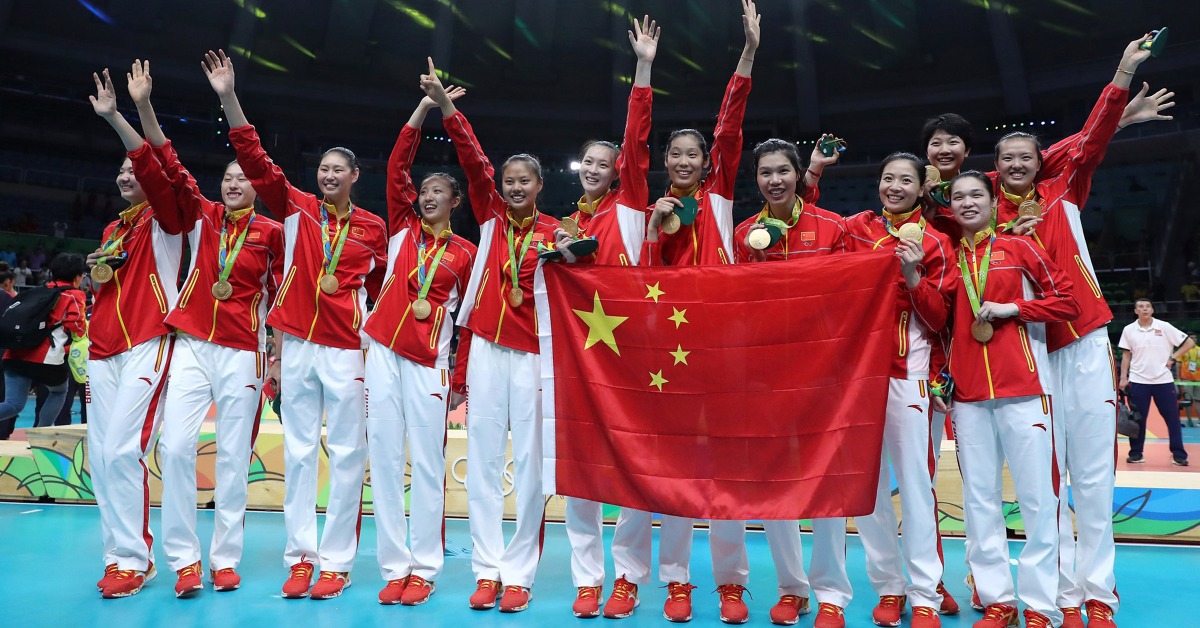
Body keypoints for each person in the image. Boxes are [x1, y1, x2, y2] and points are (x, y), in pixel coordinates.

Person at [207, 49, 389, 600]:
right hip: (301, 345)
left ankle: (337, 561)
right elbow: (255, 158)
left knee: (350, 454)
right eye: (324, 169)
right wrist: (228, 98)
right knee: (302, 452)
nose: (329, 175)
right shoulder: (298, 208)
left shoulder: (375, 227)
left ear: (355, 177)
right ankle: (302, 557)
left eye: (340, 170)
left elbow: (383, 296)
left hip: (347, 351)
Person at [992, 34, 1159, 628]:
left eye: (1027, 157)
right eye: (1006, 158)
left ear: (1042, 163)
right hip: (1028, 349)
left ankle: (1097, 594)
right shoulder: (983, 216)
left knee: (1092, 474)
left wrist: (1120, 78)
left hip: (1083, 339)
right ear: (995, 168)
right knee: (1047, 479)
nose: (1017, 164)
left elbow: (1084, 145)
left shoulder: (1064, 190)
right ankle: (1055, 597)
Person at [124, 59, 285, 597]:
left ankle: (224, 558)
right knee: (173, 448)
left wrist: (277, 356)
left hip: (242, 349)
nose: (235, 182)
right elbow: (167, 162)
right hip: (192, 342)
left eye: (244, 178)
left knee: (236, 454)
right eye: (228, 177)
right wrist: (144, 105)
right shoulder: (203, 216)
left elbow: (281, 298)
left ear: (257, 187)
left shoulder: (273, 233)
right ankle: (184, 559)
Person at [905, 171, 1078, 628]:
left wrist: (1014, 310)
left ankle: (1041, 606)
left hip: (1023, 389)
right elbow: (939, 321)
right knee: (980, 500)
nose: (966, 202)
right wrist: (913, 279)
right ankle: (998, 598)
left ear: (991, 200)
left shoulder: (1020, 247)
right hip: (968, 397)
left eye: (975, 194)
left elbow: (1067, 302)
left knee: (1038, 500)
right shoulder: (945, 256)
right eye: (958, 196)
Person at [424, 57, 559, 614]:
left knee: (529, 465)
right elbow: (473, 161)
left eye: (524, 180)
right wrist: (447, 108)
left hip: (531, 358)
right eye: (508, 181)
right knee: (481, 461)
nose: (514, 186)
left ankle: (520, 572)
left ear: (540, 185)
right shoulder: (489, 219)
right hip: (484, 352)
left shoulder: (560, 234)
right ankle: (486, 569)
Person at [639, 1, 759, 623]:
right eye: (676, 155)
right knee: (677, 469)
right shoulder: (651, 213)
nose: (685, 161)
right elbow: (644, 283)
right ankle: (677, 580)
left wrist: (746, 56)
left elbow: (731, 127)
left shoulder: (717, 201)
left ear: (706, 162)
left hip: (722, 352)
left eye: (694, 154)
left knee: (726, 468)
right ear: (666, 163)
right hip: (670, 357)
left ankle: (731, 582)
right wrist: (658, 232)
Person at [542, 15, 658, 621]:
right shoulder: (564, 227)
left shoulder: (631, 208)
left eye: (602, 163)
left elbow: (637, 137)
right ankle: (588, 578)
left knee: (633, 466)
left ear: (617, 172)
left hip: (629, 354)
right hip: (575, 361)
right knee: (578, 467)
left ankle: (629, 576)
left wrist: (641, 67)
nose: (592, 169)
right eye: (585, 162)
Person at [363, 85, 477, 607]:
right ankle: (394, 564)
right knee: (384, 459)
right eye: (423, 190)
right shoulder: (402, 229)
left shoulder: (468, 253)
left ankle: (425, 567)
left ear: (455, 201)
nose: (427, 196)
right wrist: (424, 108)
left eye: (438, 191)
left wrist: (462, 378)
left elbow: (471, 319)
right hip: (383, 353)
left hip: (430, 363)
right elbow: (395, 167)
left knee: (428, 465)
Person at [734, 138, 845, 628]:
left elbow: (852, 293)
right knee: (776, 482)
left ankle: (832, 596)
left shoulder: (834, 227)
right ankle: (791, 588)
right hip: (766, 376)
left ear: (800, 175)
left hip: (824, 372)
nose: (774, 180)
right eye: (765, 173)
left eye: (783, 170)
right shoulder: (744, 234)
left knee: (825, 484)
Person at [87, 68, 186, 598]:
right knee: (103, 456)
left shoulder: (167, 219)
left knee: (125, 449)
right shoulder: (113, 229)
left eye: (134, 168)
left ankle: (134, 556)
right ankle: (118, 554)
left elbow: (152, 164)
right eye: (121, 170)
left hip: (148, 342)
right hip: (101, 350)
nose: (128, 174)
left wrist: (117, 117)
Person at [841, 152, 951, 628]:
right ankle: (889, 587)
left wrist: (912, 278)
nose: (895, 186)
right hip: (858, 377)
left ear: (921, 189)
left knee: (917, 488)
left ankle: (925, 592)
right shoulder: (856, 232)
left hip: (910, 375)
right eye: (887, 178)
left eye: (905, 180)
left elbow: (943, 318)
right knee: (865, 491)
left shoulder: (938, 243)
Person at [0, 254, 87, 439]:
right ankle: (39, 438)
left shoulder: (35, 291)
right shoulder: (74, 295)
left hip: (14, 354)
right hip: (45, 360)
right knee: (59, 391)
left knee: (14, 404)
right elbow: (77, 327)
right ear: (78, 277)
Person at [1118, 299, 1193, 466]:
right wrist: (1123, 378)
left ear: (1152, 310)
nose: (1144, 309)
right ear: (1135, 311)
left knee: (1172, 419)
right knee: (1138, 420)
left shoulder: (1164, 326)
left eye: (1147, 306)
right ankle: (1136, 453)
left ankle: (1179, 455)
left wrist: (1173, 358)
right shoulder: (1129, 330)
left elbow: (1189, 342)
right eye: (1140, 307)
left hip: (1163, 381)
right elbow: (1126, 355)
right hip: (1138, 381)